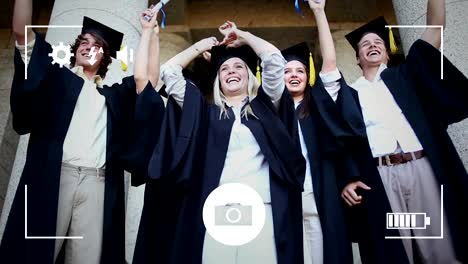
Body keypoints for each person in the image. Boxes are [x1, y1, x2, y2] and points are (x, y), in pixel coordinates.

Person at [0, 1, 165, 263]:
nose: (90, 46)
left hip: (97, 183)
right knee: (33, 255)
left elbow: (148, 81)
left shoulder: (112, 97)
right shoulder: (56, 79)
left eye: (98, 45)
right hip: (54, 177)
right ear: (76, 50)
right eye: (85, 43)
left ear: (105, 58)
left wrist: (150, 33)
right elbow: (22, 33)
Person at [143, 21, 306, 264]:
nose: (231, 71)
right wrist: (200, 46)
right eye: (224, 69)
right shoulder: (205, 113)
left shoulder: (266, 106)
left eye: (238, 66)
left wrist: (243, 35)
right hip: (220, 206)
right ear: (218, 79)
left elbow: (274, 60)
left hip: (260, 204)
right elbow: (170, 71)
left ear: (249, 75)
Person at [331, 0, 468, 263]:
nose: (372, 45)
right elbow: (341, 144)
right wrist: (347, 179)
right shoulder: (349, 95)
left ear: (388, 52)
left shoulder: (407, 76)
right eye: (365, 44)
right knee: (397, 252)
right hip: (382, 179)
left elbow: (436, 28)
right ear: (357, 58)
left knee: (440, 251)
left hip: (420, 171)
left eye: (378, 43)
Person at [280, 1, 354, 263]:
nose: (293, 75)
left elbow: (330, 64)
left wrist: (319, 12)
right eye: (286, 71)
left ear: (308, 74)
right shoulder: (271, 112)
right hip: (284, 197)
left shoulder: (319, 103)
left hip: (319, 191)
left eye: (300, 70)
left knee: (326, 253)